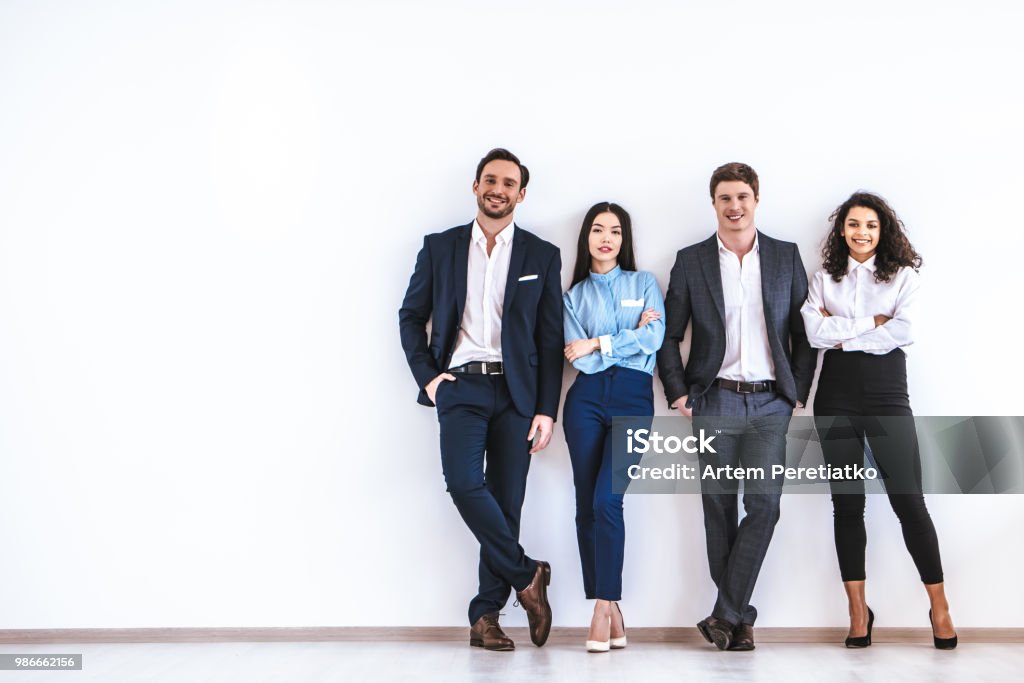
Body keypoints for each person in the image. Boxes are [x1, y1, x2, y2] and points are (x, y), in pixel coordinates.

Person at [398, 148, 563, 651]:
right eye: (490, 180)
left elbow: (549, 337)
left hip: (518, 395)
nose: (498, 189)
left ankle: (485, 616)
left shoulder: (541, 254)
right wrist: (429, 377)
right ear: (475, 187)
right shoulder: (441, 247)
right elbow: (410, 315)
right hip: (461, 386)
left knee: (507, 502)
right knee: (465, 484)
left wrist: (545, 409)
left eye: (509, 183)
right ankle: (528, 574)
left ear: (521, 193)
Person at [657, 162, 814, 651]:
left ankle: (724, 614)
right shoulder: (691, 260)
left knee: (765, 506)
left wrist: (796, 392)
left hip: (771, 403)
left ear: (756, 199)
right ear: (714, 203)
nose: (735, 206)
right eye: (725, 197)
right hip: (715, 399)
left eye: (743, 196)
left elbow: (803, 333)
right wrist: (678, 390)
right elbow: (670, 333)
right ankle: (739, 620)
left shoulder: (786, 257)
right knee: (719, 510)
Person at [801, 191, 957, 649]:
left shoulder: (904, 276)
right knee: (847, 505)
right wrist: (873, 323)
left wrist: (844, 335)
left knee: (909, 501)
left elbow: (906, 330)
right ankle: (857, 609)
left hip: (888, 393)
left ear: (882, 230)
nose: (861, 232)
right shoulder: (824, 277)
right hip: (834, 395)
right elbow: (813, 331)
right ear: (841, 230)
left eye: (870, 225)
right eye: (853, 224)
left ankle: (940, 605)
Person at [562, 202, 665, 653]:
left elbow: (655, 339)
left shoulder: (644, 283)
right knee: (586, 506)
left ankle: (604, 606)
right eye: (599, 230)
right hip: (584, 401)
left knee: (609, 500)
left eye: (617, 232)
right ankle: (610, 605)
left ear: (625, 240)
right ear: (586, 237)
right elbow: (577, 358)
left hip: (634, 398)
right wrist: (625, 339)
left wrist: (599, 341)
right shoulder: (572, 296)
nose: (607, 238)